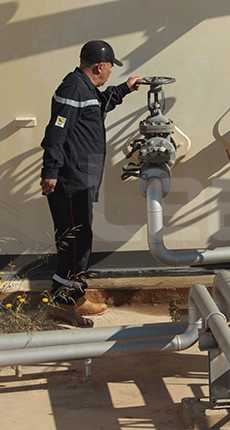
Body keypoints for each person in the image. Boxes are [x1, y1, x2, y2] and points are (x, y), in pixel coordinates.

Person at [40, 40, 142, 327]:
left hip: (82, 179)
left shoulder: (85, 89)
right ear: (99, 66)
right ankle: (63, 305)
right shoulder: (73, 89)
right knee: (74, 242)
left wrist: (125, 89)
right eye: (110, 66)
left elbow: (99, 106)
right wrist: (51, 170)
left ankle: (76, 297)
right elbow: (56, 131)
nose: (110, 71)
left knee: (81, 239)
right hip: (70, 179)